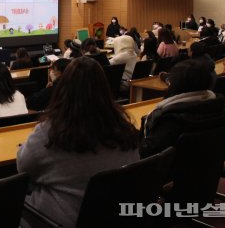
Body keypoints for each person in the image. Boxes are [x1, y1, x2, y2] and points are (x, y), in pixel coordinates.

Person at [17, 57, 139, 228]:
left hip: (59, 220)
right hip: (116, 217)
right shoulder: (125, 128)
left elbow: (22, 168)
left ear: (63, 89)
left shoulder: (50, 132)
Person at [140, 60, 225, 158]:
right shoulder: (222, 106)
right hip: (209, 164)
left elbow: (146, 152)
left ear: (176, 85)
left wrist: (144, 123)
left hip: (170, 169)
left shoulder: (171, 120)